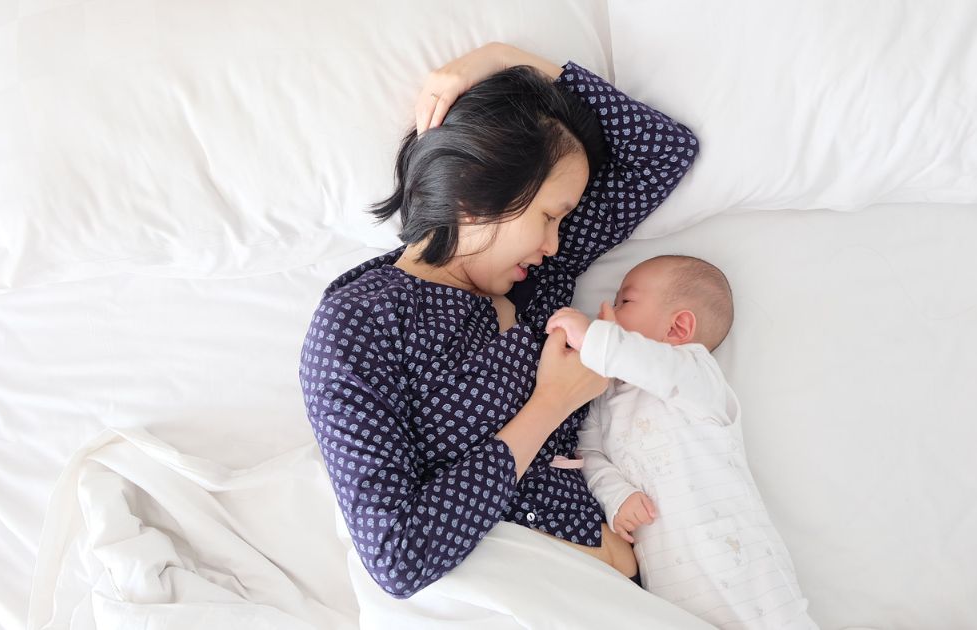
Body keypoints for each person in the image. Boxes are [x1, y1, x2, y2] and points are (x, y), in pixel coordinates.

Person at [298, 42, 699, 599]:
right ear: (477, 189)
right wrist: (550, 404)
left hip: (622, 593)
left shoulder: (539, 278)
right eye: (549, 216)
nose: (556, 241)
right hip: (518, 594)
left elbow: (663, 152)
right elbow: (397, 555)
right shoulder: (359, 324)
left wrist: (505, 60)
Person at [546, 255, 819, 629]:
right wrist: (616, 496)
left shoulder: (695, 375)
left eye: (625, 301)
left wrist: (595, 338)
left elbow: (651, 364)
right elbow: (589, 453)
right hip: (675, 595)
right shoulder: (605, 395)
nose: (605, 309)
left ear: (678, 328)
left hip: (748, 577)